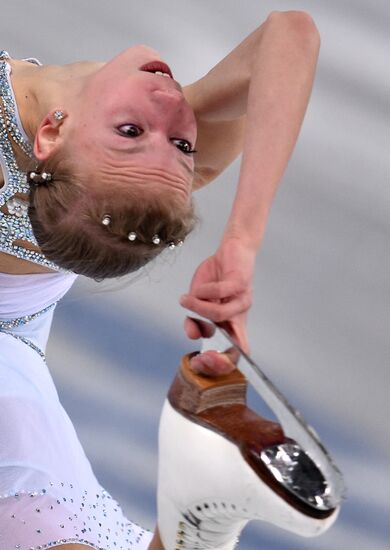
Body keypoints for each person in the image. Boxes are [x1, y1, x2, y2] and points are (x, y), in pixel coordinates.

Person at [0, 10, 322, 550]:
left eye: (132, 133)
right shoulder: (123, 162)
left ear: (53, 132)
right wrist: (242, 240)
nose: (172, 108)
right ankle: (193, 528)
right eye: (182, 145)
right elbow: (289, 35)